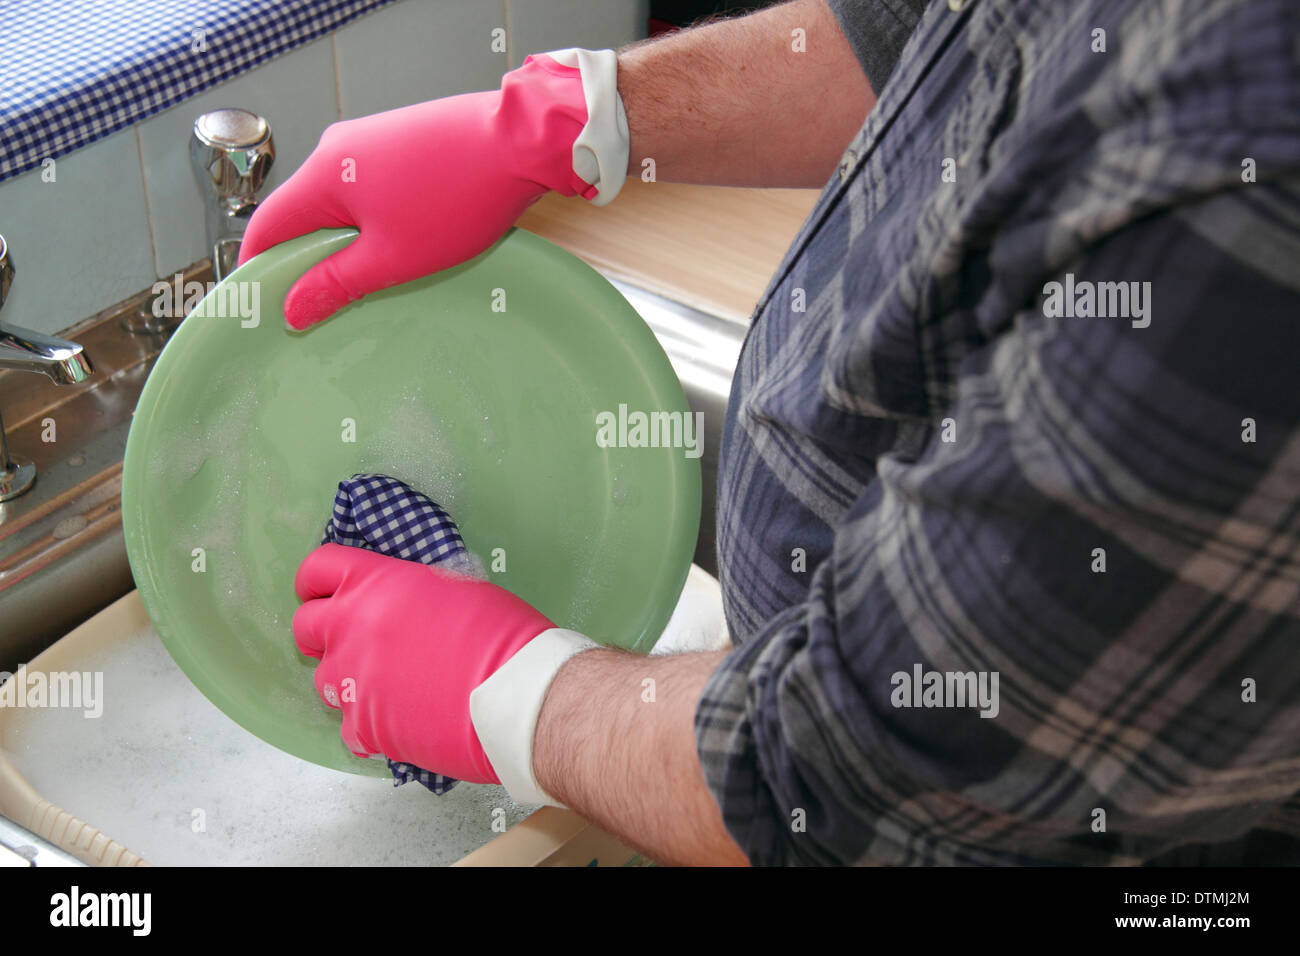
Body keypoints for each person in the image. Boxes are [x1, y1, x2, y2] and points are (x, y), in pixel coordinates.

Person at [239, 0, 1300, 866]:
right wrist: (577, 118)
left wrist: (512, 691)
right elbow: (936, 39)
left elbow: (865, 771)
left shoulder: (1251, 187)